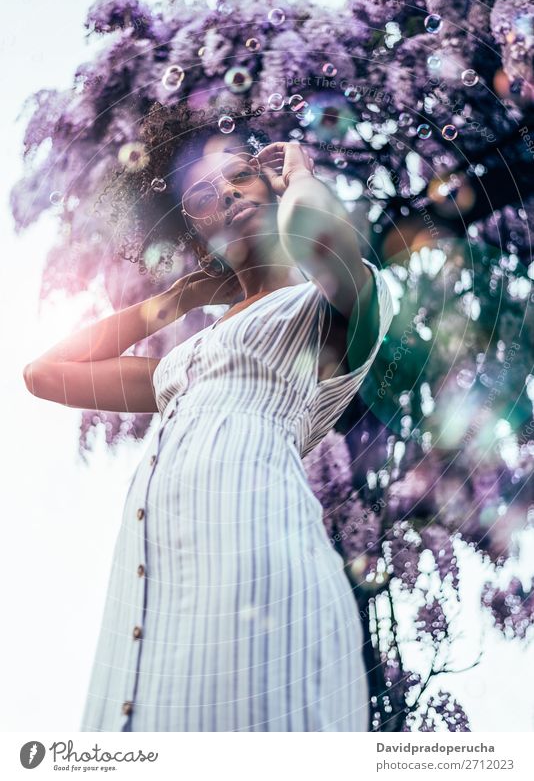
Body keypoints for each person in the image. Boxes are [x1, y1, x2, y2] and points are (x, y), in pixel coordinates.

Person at [23, 109, 393, 732]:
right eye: (202, 195)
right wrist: (183, 296)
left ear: (272, 187)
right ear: (196, 225)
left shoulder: (332, 306)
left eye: (242, 176)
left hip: (258, 571)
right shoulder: (183, 366)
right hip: (158, 599)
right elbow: (45, 372)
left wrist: (298, 170)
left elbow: (312, 228)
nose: (225, 192)